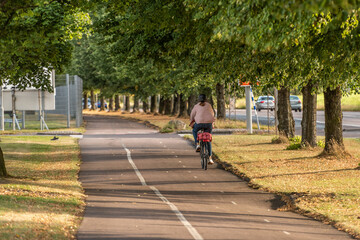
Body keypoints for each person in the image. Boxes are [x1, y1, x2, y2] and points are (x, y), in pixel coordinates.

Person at [190, 94, 215, 164]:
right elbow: (212, 114)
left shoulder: (196, 106)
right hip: (208, 124)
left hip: (199, 124)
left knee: (194, 130)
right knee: (208, 139)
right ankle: (210, 158)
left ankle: (197, 144)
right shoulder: (209, 105)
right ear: (206, 99)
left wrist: (191, 121)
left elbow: (192, 115)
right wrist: (212, 122)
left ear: (199, 100)